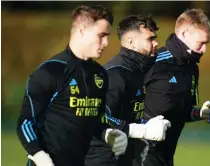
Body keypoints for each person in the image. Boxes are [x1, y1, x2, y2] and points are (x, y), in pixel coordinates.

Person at [16, 5, 128, 166]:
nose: (106, 42)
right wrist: (38, 154)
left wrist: (107, 133)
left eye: (107, 36)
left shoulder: (100, 75)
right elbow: (25, 122)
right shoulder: (51, 71)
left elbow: (94, 118)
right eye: (101, 35)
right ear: (82, 30)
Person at [85, 15, 171, 166]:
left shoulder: (138, 70)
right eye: (150, 39)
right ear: (132, 42)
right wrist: (141, 131)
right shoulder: (114, 74)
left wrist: (142, 134)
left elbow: (126, 114)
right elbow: (99, 115)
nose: (156, 43)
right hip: (102, 159)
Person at [142, 9, 210, 166]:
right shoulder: (153, 63)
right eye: (201, 43)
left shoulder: (191, 68)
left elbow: (180, 112)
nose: (204, 50)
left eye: (207, 44)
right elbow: (122, 106)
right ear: (184, 34)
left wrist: (199, 114)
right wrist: (144, 127)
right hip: (141, 156)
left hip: (167, 158)